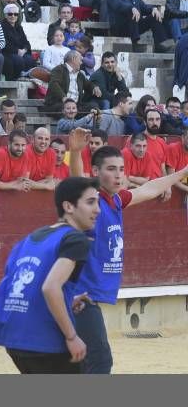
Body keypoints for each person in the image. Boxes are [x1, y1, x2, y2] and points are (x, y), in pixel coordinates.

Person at [67, 129, 188, 373]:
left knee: (82, 364)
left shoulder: (118, 200)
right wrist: (76, 152)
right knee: (100, 361)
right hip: (77, 297)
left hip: (84, 297)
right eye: (111, 169)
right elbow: (77, 181)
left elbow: (150, 189)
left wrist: (184, 172)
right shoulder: (92, 201)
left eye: (121, 169)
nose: (118, 175)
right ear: (95, 172)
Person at [0, 176, 100, 373]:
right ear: (69, 207)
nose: (97, 210)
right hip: (44, 340)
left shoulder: (32, 237)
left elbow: (22, 283)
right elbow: (50, 287)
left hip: (15, 339)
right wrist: (71, 336)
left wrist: (67, 299)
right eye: (90, 202)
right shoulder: (76, 240)